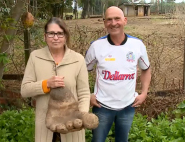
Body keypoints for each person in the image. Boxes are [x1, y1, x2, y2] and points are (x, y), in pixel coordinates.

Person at [85, 6, 151, 142]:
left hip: (128, 106)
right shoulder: (96, 46)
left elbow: (146, 69)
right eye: (109, 19)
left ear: (125, 20)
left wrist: (144, 93)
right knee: (97, 140)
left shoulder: (137, 45)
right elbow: (81, 72)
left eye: (117, 19)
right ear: (104, 23)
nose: (113, 23)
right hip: (102, 106)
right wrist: (87, 95)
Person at [21, 17, 90, 142]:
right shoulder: (35, 57)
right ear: (45, 36)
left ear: (65, 36)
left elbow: (84, 93)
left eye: (59, 33)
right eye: (51, 33)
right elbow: (24, 90)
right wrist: (46, 84)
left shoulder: (78, 59)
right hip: (45, 126)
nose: (56, 37)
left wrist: (80, 117)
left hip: (71, 125)